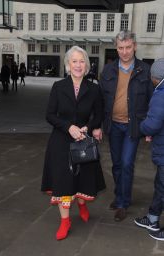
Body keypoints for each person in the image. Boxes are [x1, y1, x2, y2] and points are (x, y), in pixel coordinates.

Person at [41, 46, 106, 240]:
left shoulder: (94, 89)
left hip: (83, 141)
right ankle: (65, 221)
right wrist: (68, 127)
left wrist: (89, 126)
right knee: (63, 181)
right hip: (61, 140)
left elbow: (99, 114)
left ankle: (82, 203)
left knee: (82, 179)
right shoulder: (58, 87)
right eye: (74, 61)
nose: (78, 65)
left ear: (87, 65)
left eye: (82, 61)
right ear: (68, 65)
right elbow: (50, 115)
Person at [99, 30, 154, 221]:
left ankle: (122, 203)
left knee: (127, 163)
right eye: (121, 48)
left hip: (133, 126)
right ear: (116, 48)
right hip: (113, 126)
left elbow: (152, 100)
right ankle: (121, 194)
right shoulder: (107, 70)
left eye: (128, 47)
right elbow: (100, 101)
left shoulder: (145, 70)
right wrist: (97, 125)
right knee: (116, 165)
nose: (124, 52)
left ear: (135, 46)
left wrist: (150, 127)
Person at [134, 58, 164, 241]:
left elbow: (152, 124)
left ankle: (155, 223)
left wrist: (143, 127)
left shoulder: (161, 94)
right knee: (160, 186)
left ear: (155, 78)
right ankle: (152, 219)